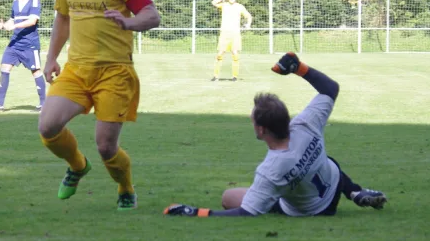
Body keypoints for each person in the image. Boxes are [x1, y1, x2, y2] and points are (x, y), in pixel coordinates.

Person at [164, 52, 387, 217]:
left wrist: (195, 212)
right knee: (326, 161)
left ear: (261, 130)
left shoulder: (271, 170)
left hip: (314, 210)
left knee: (228, 197)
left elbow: (246, 213)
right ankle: (355, 192)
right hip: (334, 185)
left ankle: (354, 192)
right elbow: (331, 88)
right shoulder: (305, 124)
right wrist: (299, 67)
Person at [38, 0, 161, 210]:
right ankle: (78, 166)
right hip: (77, 70)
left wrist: (129, 21)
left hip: (115, 72)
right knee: (48, 127)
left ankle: (125, 187)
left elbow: (152, 15)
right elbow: (63, 19)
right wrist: (51, 57)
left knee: (106, 147)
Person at [0, 0, 46, 112]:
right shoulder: (15, 2)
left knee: (35, 71)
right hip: (15, 43)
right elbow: (12, 20)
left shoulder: (34, 0)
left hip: (29, 43)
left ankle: (44, 104)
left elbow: (32, 21)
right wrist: (4, 25)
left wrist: (14, 27)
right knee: (4, 68)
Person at [210, 0, 252, 82]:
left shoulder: (239, 7)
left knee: (235, 53)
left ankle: (234, 76)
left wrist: (248, 24)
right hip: (224, 33)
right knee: (220, 54)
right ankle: (216, 76)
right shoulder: (224, 5)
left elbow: (248, 16)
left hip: (235, 33)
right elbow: (213, 2)